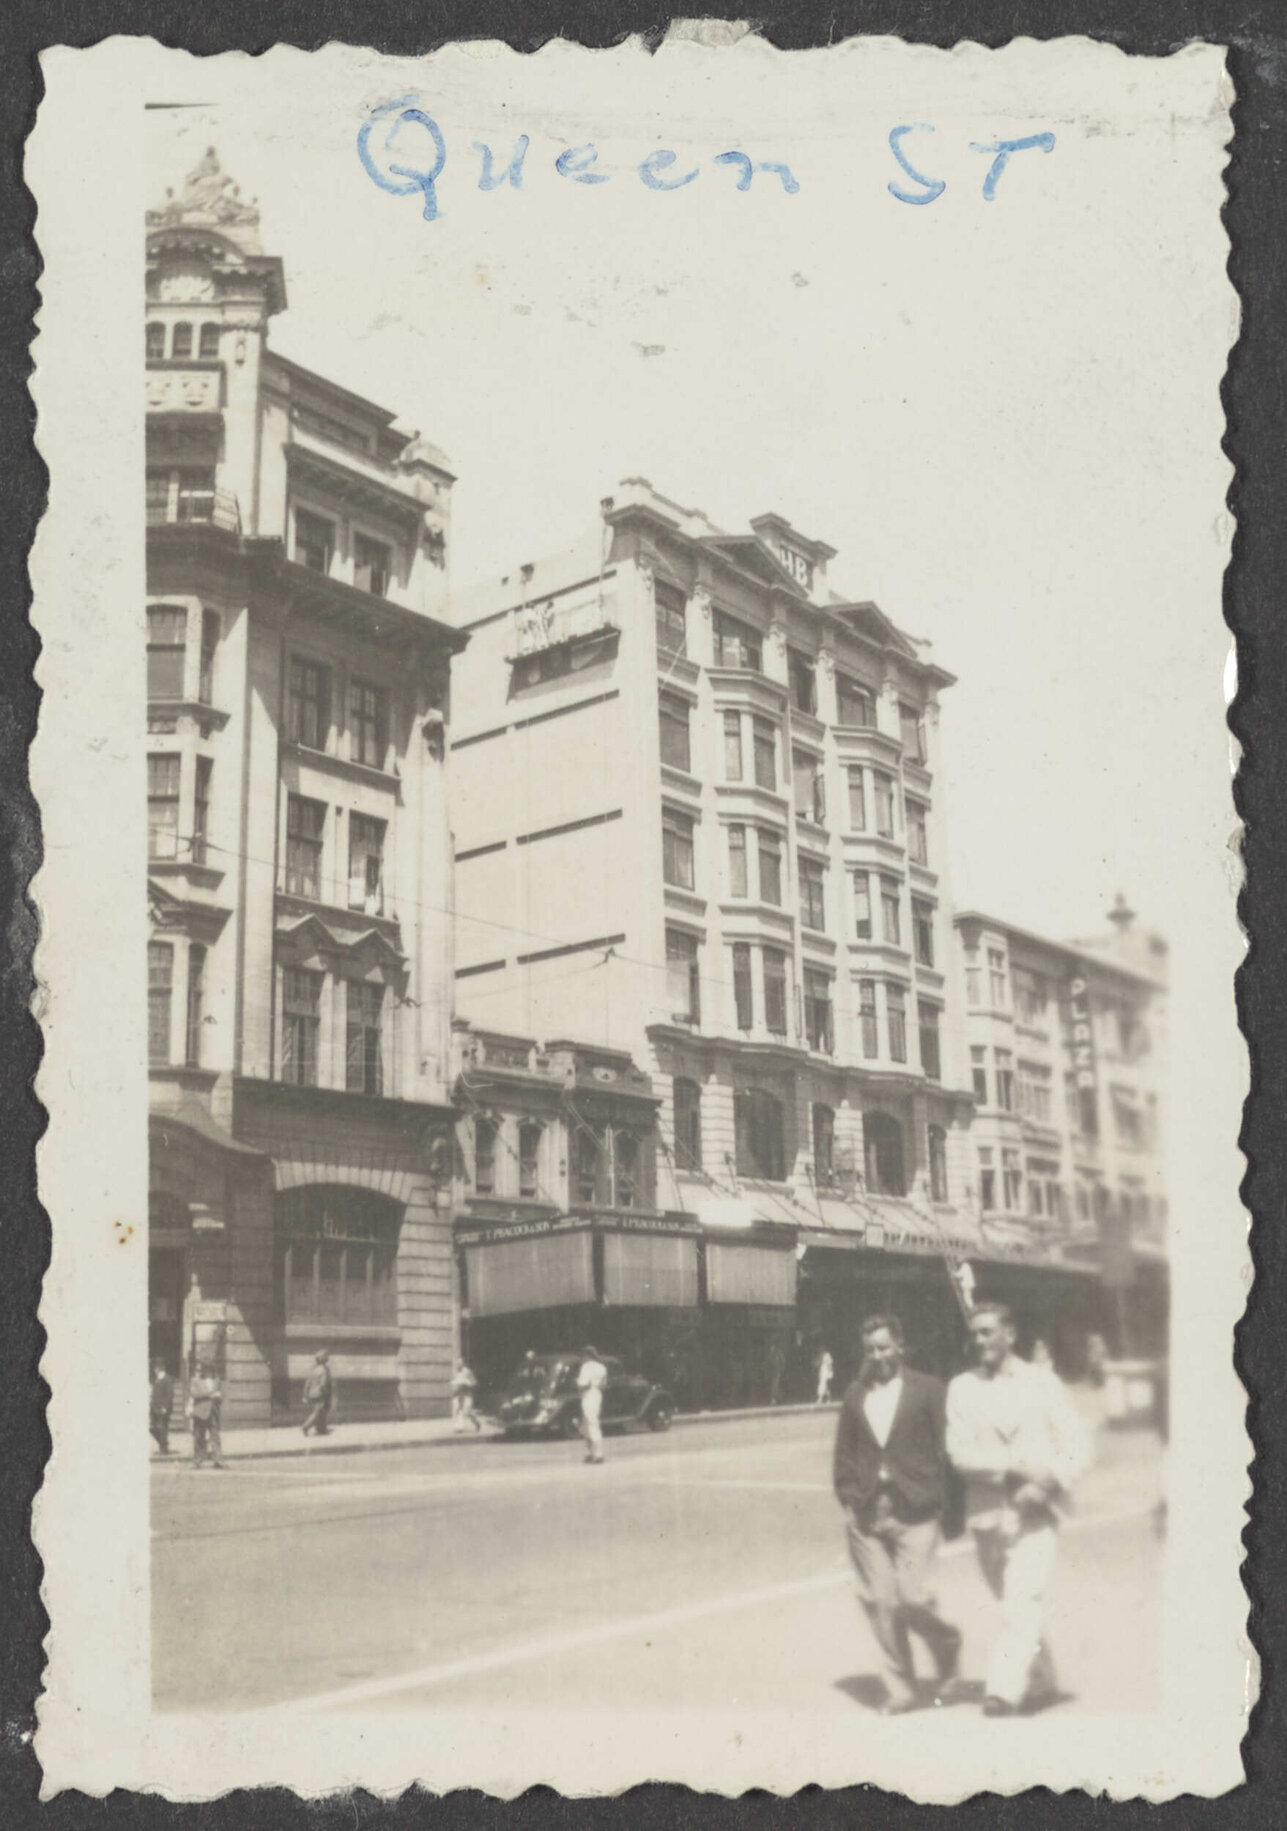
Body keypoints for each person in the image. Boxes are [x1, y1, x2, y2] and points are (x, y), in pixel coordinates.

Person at [947, 1301, 1091, 1717]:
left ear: (1010, 1335)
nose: (980, 1341)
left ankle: (1002, 1690)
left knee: (1021, 1601)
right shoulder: (962, 1387)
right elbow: (960, 1453)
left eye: (987, 1332)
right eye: (975, 1334)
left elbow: (1077, 1444)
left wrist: (1048, 1482)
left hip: (1037, 1512)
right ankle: (1043, 1678)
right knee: (1013, 1601)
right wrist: (1014, 1469)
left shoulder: (1042, 1382)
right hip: (988, 1514)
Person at [833, 1314, 963, 1715]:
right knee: (881, 1602)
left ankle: (946, 1645)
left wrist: (948, 1507)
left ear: (900, 1346)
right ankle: (901, 1689)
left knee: (913, 1598)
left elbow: (949, 1450)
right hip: (868, 1510)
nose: (877, 1356)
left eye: (884, 1347)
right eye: (870, 1349)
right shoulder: (856, 1394)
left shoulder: (928, 1390)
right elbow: (845, 1451)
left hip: (916, 1509)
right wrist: (849, 1495)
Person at [187, 1359, 225, 1469]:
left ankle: (218, 1460)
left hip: (213, 1413)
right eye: (206, 1369)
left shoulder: (217, 1380)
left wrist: (219, 1397)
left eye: (210, 1369)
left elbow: (220, 1396)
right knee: (199, 1437)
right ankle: (197, 1461)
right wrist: (211, 1394)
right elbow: (195, 1394)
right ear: (203, 1370)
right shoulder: (195, 1380)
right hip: (200, 1413)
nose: (208, 1371)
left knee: (215, 1437)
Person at [576, 1344, 608, 1465]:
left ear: (587, 1355)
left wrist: (577, 1384)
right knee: (587, 1424)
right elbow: (603, 1385)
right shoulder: (602, 1367)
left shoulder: (586, 1367)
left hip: (588, 1395)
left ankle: (598, 1454)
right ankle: (588, 1453)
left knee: (591, 1423)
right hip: (597, 1394)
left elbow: (583, 1384)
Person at [301, 1349, 334, 1436]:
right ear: (325, 1359)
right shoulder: (324, 1370)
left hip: (312, 1394)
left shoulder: (314, 1369)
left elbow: (307, 1383)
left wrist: (305, 1395)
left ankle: (321, 1429)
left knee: (322, 1412)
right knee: (318, 1413)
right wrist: (327, 1393)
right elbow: (323, 1385)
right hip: (321, 1394)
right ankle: (306, 1426)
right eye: (327, 1357)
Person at [149, 1361, 174, 1455]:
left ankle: (164, 1448)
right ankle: (163, 1444)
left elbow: (170, 1395)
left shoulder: (167, 1379)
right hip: (154, 1408)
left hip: (163, 1408)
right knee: (152, 1427)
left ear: (160, 1368)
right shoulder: (157, 1379)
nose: (155, 1370)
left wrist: (165, 1407)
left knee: (163, 1428)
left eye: (156, 1368)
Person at [451, 1357, 482, 1433]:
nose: (458, 1364)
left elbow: (474, 1382)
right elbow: (455, 1382)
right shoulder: (455, 1372)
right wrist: (454, 1384)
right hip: (458, 1394)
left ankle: (476, 1422)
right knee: (458, 1409)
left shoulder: (468, 1371)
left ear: (463, 1363)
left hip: (467, 1394)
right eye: (457, 1363)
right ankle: (459, 1427)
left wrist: (467, 1382)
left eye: (460, 1363)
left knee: (467, 1411)